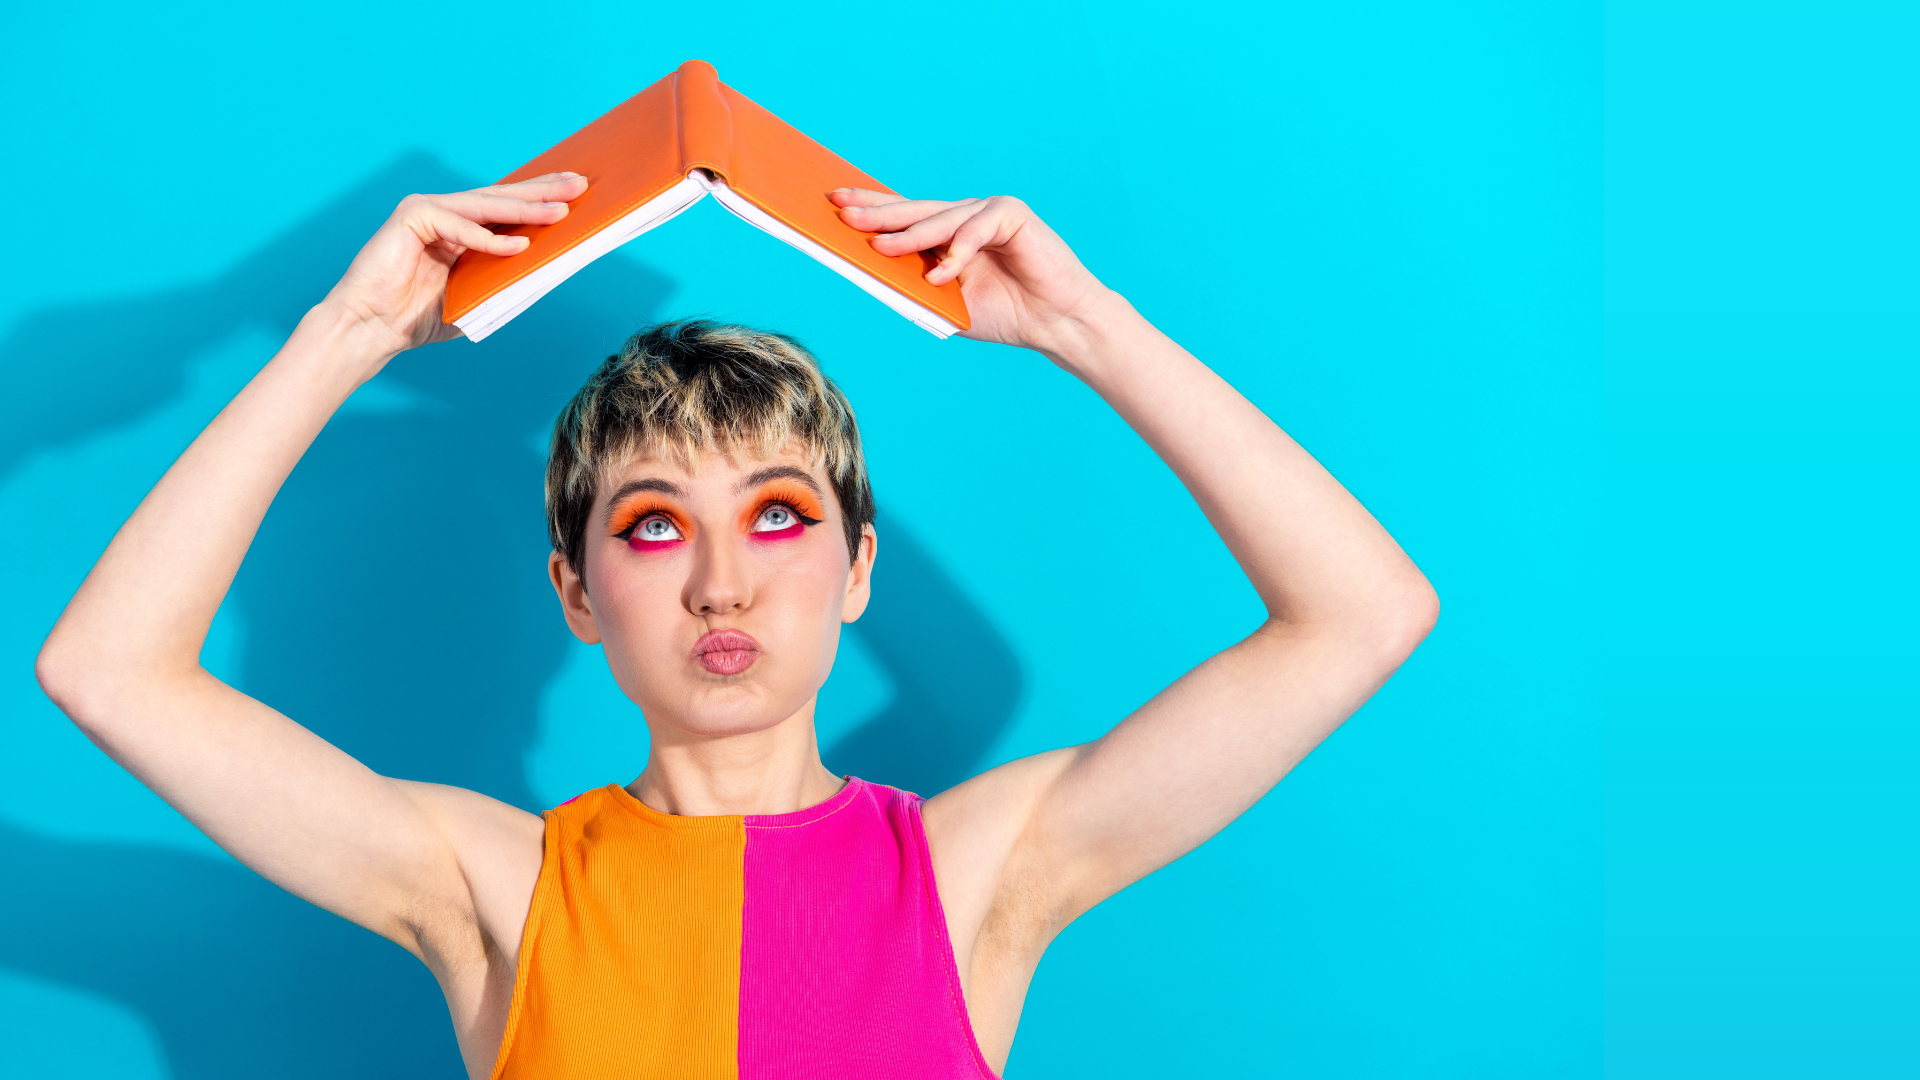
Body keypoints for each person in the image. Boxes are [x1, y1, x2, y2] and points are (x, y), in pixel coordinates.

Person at [36, 172, 1437, 1079]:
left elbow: (1364, 614)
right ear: (575, 593)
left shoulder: (970, 872)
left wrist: (1090, 328)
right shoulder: (494, 885)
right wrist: (341, 334)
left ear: (860, 570)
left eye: (778, 515)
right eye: (653, 525)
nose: (722, 583)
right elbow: (105, 670)